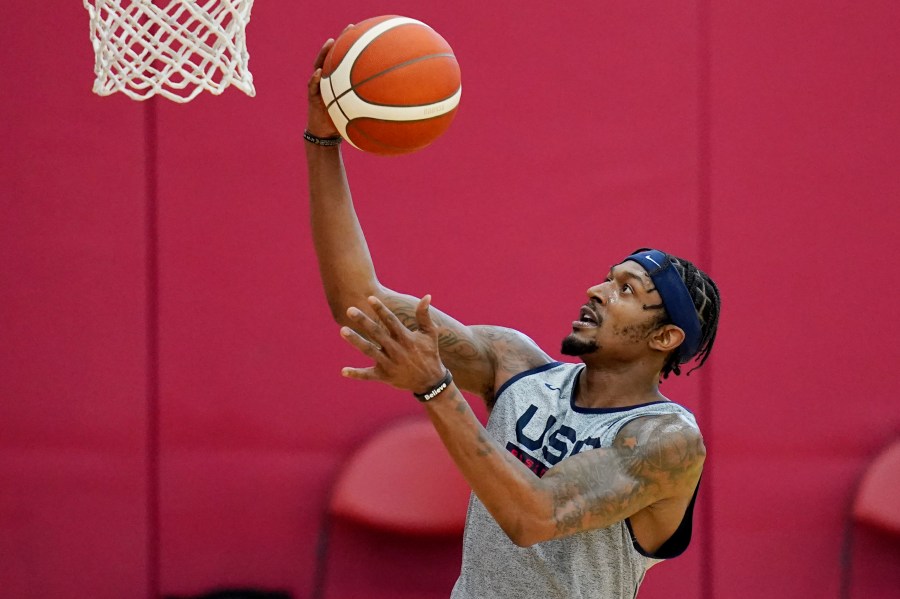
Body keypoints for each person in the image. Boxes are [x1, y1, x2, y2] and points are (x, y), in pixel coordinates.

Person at [305, 37, 721, 599]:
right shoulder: (514, 364)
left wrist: (435, 388)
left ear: (665, 335)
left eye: (626, 289)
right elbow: (358, 299)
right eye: (607, 276)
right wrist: (323, 140)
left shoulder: (666, 441)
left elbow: (534, 518)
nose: (598, 290)